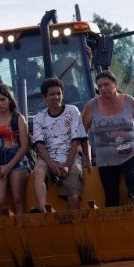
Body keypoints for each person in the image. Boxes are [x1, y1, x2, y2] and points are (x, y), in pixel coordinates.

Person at [82, 70, 134, 207]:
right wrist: (88, 159)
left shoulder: (130, 101)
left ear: (115, 84)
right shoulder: (91, 106)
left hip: (131, 151)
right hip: (104, 157)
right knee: (111, 195)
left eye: (106, 84)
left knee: (133, 180)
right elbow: (82, 134)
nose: (102, 88)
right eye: (99, 86)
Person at [32, 78, 91, 212]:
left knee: (74, 197)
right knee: (38, 172)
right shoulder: (38, 118)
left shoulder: (72, 111)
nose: (56, 97)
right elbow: (40, 145)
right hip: (48, 158)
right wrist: (51, 164)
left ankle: (74, 226)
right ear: (44, 97)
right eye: (52, 94)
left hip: (70, 158)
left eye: (59, 93)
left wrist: (67, 165)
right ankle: (44, 211)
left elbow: (76, 141)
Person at [0, 84, 30, 216]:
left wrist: (8, 166)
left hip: (17, 158)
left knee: (17, 199)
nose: (0, 103)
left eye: (3, 99)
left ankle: (21, 234)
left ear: (9, 100)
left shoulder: (18, 118)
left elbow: (24, 146)